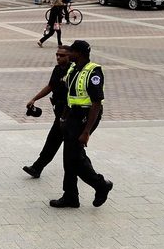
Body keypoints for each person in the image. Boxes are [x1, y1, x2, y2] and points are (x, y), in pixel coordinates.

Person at [50, 40, 113, 208]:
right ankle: (70, 196)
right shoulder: (72, 70)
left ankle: (101, 185)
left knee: (75, 158)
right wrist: (63, 118)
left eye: (71, 51)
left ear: (78, 53)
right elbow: (68, 98)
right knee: (68, 157)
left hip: (86, 117)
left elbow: (96, 103)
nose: (67, 54)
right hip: (71, 115)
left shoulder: (94, 72)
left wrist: (87, 131)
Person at [23, 46, 71, 178]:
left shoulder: (73, 71)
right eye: (57, 55)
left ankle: (37, 167)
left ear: (69, 56)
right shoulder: (57, 70)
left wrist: (63, 118)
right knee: (53, 141)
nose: (58, 57)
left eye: (62, 55)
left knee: (66, 145)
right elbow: (50, 86)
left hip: (69, 114)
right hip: (59, 111)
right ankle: (37, 168)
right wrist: (34, 99)